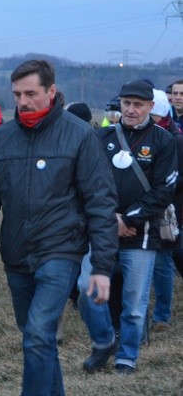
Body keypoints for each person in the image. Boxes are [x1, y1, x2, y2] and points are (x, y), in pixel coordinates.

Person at [0, 60, 118, 396]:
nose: (23, 102)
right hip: (17, 254)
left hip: (61, 250)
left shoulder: (80, 136)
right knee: (39, 338)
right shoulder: (1, 138)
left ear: (51, 92)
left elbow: (100, 202)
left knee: (36, 333)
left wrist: (101, 265)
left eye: (31, 93)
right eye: (16, 95)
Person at [77, 80, 176, 376]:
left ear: (150, 107)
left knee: (134, 304)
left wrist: (128, 219)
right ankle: (104, 340)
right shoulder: (102, 136)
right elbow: (86, 182)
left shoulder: (163, 140)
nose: (131, 110)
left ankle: (127, 357)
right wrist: (110, 220)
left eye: (138, 105)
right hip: (103, 230)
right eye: (126, 103)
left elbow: (164, 190)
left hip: (142, 235)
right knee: (86, 289)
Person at [147, 89, 183, 332]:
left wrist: (158, 190)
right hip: (140, 207)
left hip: (170, 210)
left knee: (164, 261)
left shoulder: (176, 140)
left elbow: (178, 177)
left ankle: (162, 315)